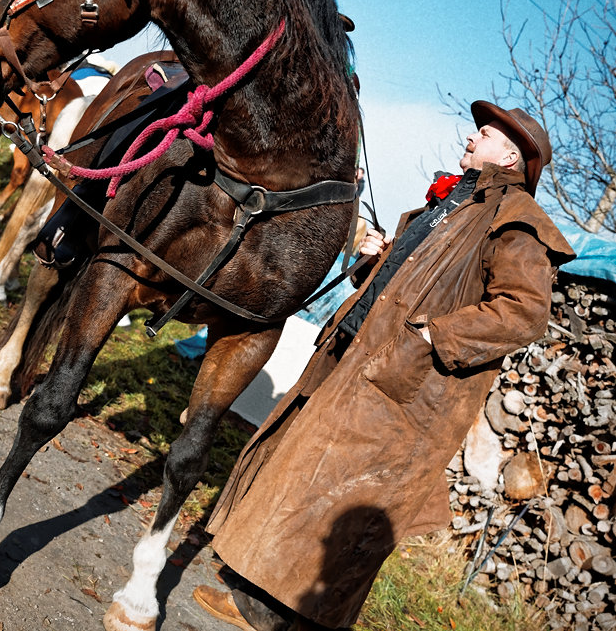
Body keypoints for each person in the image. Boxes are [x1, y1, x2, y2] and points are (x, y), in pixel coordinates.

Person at [193, 101, 576, 631]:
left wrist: (432, 336)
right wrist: (377, 262)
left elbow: (522, 312)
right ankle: (256, 593)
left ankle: (273, 614)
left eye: (484, 134)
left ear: (512, 155)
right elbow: (415, 285)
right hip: (353, 362)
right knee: (305, 478)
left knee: (340, 501)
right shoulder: (452, 205)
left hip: (408, 388)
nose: (471, 138)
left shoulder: (518, 222)